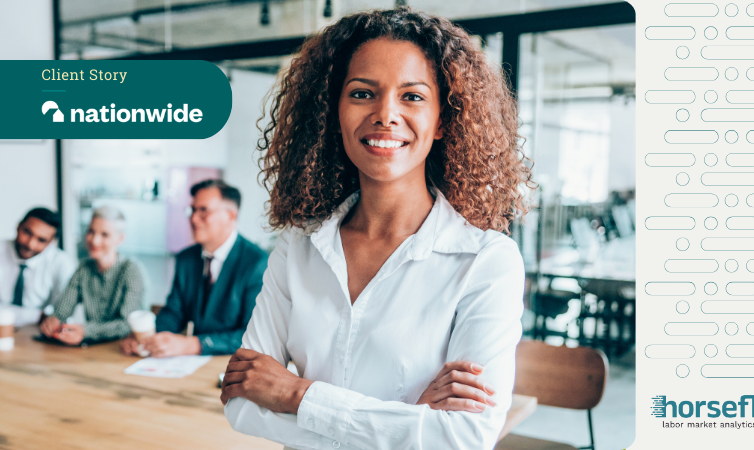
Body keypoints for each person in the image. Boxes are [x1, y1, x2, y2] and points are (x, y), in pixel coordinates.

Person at [221, 7, 534, 450]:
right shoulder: (298, 246)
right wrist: (408, 423)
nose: (386, 114)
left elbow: (464, 437)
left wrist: (295, 394)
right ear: (335, 111)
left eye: (412, 96)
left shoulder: (486, 262)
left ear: (443, 119)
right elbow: (241, 403)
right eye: (363, 93)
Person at [120, 179, 269, 357]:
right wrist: (146, 339)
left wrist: (192, 345)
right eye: (193, 210)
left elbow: (252, 335)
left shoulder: (257, 263)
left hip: (235, 364)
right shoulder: (186, 258)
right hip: (191, 366)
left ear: (230, 215)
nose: (193, 218)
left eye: (203, 211)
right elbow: (174, 313)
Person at [40, 206, 146, 345]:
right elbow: (62, 311)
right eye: (91, 231)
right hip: (91, 350)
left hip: (124, 348)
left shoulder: (131, 270)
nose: (94, 240)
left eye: (104, 235)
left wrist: (86, 331)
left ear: (120, 239)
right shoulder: (83, 269)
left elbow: (128, 324)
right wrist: (54, 321)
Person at [0, 207, 76, 326]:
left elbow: (62, 314)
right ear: (18, 226)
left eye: (41, 240)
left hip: (38, 334)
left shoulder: (61, 263)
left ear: (51, 242)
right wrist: (38, 316)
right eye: (27, 232)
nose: (30, 244)